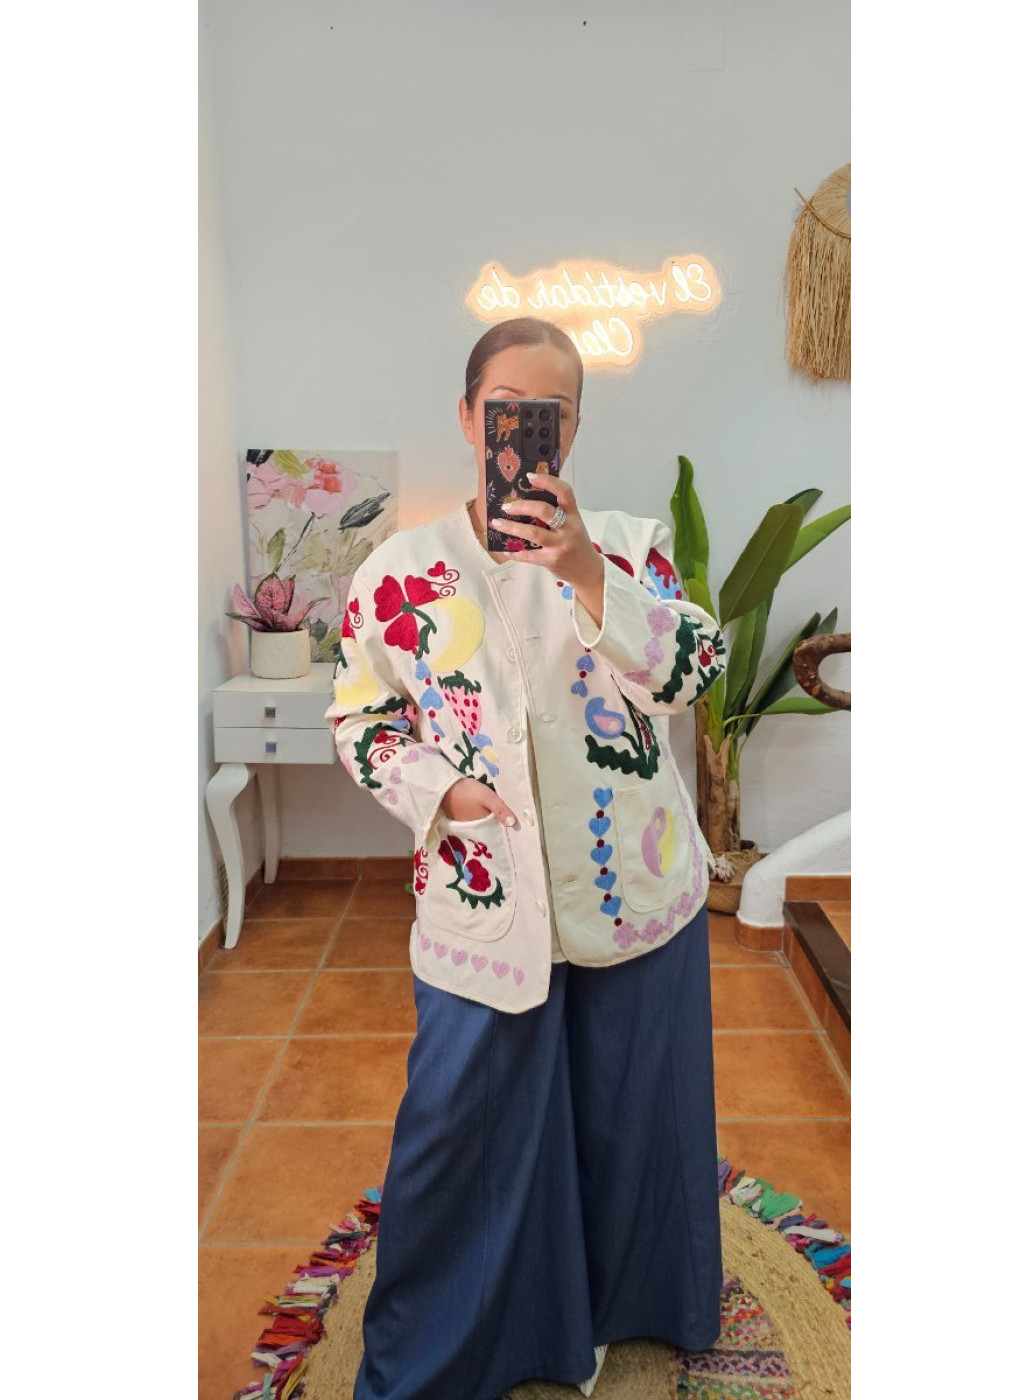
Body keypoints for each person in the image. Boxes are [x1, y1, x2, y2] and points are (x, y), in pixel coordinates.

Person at [324, 316, 728, 1400]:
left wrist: (588, 570)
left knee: (627, 1116)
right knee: (462, 1130)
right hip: (484, 896)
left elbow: (694, 667)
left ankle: (626, 1309)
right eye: (505, 408)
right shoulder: (397, 573)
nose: (522, 430)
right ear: (469, 418)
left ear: (573, 429)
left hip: (632, 888)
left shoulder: (629, 545)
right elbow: (361, 718)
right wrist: (438, 792)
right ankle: (448, 1346)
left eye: (548, 413)